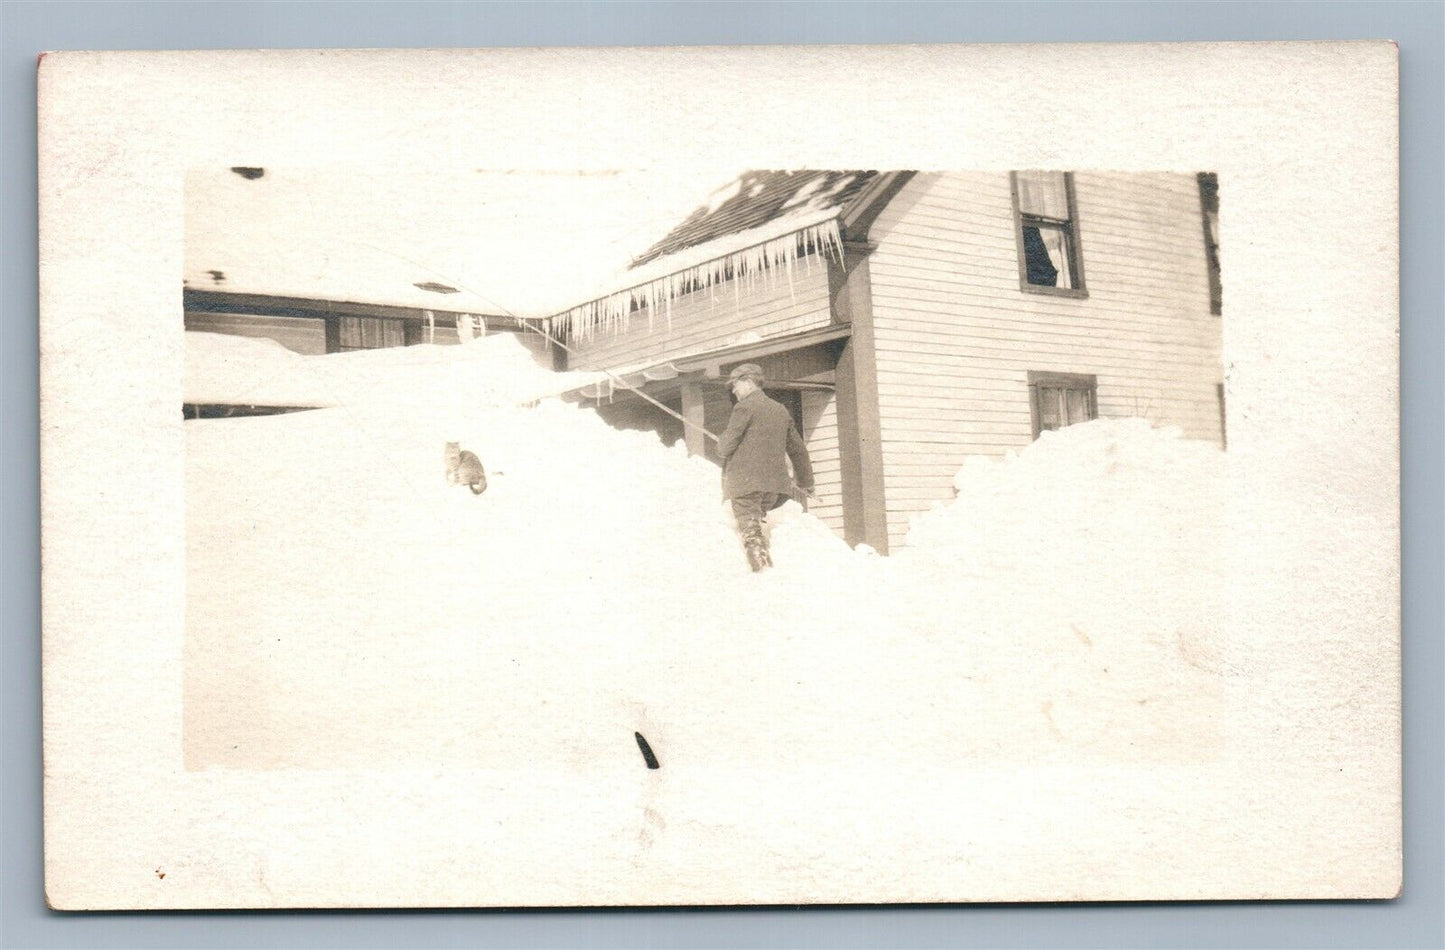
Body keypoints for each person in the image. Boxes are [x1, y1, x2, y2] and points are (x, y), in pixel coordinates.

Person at [716, 363, 815, 572]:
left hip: (746, 485)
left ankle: (762, 574)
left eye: (735, 385)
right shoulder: (779, 410)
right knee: (758, 527)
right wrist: (806, 483)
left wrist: (721, 441)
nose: (733, 390)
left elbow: (725, 448)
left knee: (751, 533)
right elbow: (798, 450)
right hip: (773, 490)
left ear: (748, 382)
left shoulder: (744, 407)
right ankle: (766, 571)